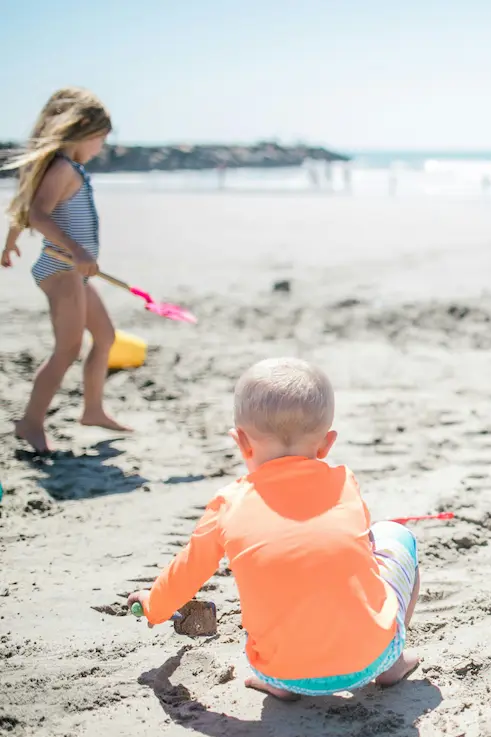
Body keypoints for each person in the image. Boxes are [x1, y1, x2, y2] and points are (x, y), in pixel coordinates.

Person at [126, 358, 422, 700]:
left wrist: (153, 605)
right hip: (369, 660)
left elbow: (186, 572)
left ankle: (281, 687)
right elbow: (364, 552)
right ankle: (392, 664)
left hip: (279, 672)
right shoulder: (345, 483)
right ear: (327, 444)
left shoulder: (228, 504)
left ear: (241, 443)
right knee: (398, 537)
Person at [2, 87, 129, 454]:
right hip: (61, 268)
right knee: (67, 349)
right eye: (101, 140)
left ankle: (92, 410)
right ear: (84, 130)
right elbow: (38, 212)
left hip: (73, 271)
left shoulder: (69, 168)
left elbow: (27, 204)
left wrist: (10, 240)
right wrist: (75, 250)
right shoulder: (61, 167)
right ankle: (30, 422)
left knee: (104, 336)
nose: (100, 148)